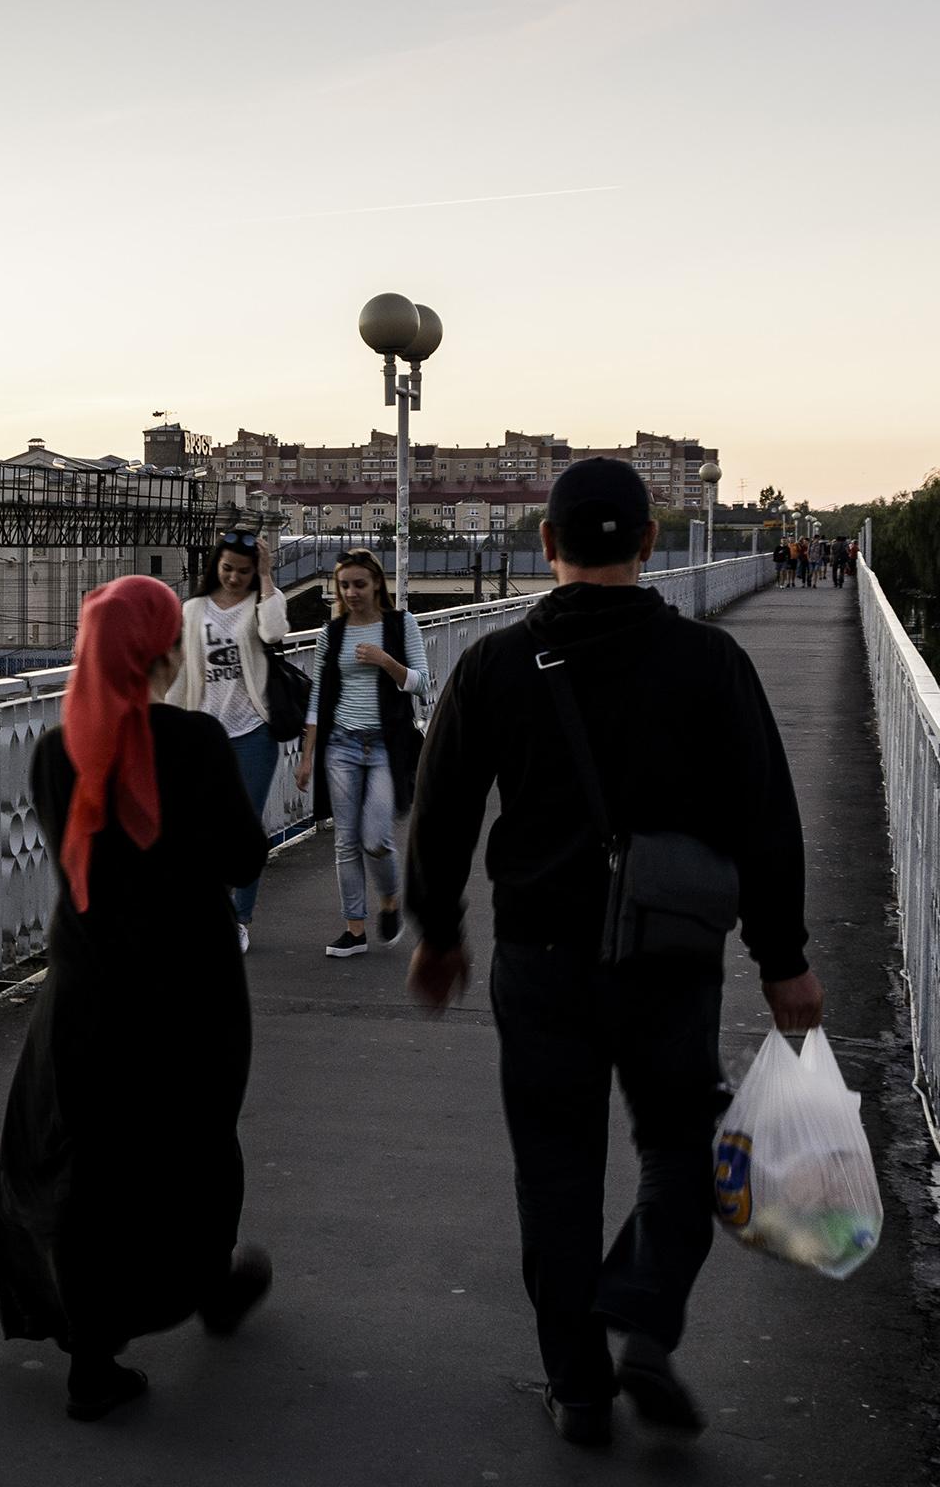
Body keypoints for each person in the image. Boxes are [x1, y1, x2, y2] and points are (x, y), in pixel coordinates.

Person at [404, 457, 823, 1448]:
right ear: (644, 546)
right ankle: (637, 1305)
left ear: (544, 546)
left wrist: (435, 931)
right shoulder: (708, 665)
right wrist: (782, 958)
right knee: (685, 1137)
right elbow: (766, 820)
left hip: (537, 958)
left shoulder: (495, 666)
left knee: (552, 1171)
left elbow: (442, 812)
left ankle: (576, 1389)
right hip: (667, 958)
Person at [0, 575, 272, 1423]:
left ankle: (93, 1361)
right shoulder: (197, 741)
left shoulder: (53, 749)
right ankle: (208, 1286)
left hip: (89, 988)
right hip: (193, 987)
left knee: (92, 1160)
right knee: (200, 1143)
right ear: (166, 650)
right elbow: (244, 860)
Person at [291, 549, 429, 957]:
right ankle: (354, 930)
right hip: (341, 746)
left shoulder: (401, 625)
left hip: (386, 745)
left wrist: (386, 661)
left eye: (359, 584)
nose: (351, 592)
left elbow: (422, 682)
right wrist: (306, 755)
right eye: (345, 585)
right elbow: (318, 696)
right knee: (346, 841)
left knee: (375, 839)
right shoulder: (330, 635)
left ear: (376, 585)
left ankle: (390, 900)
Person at [165, 527, 290, 952]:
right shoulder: (193, 608)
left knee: (245, 830)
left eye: (243, 571)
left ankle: (240, 919)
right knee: (203, 829)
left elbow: (274, 634)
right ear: (215, 566)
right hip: (205, 735)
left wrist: (268, 576)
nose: (234, 577)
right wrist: (171, 721)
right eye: (227, 569)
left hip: (253, 732)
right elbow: (183, 671)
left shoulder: (262, 601)